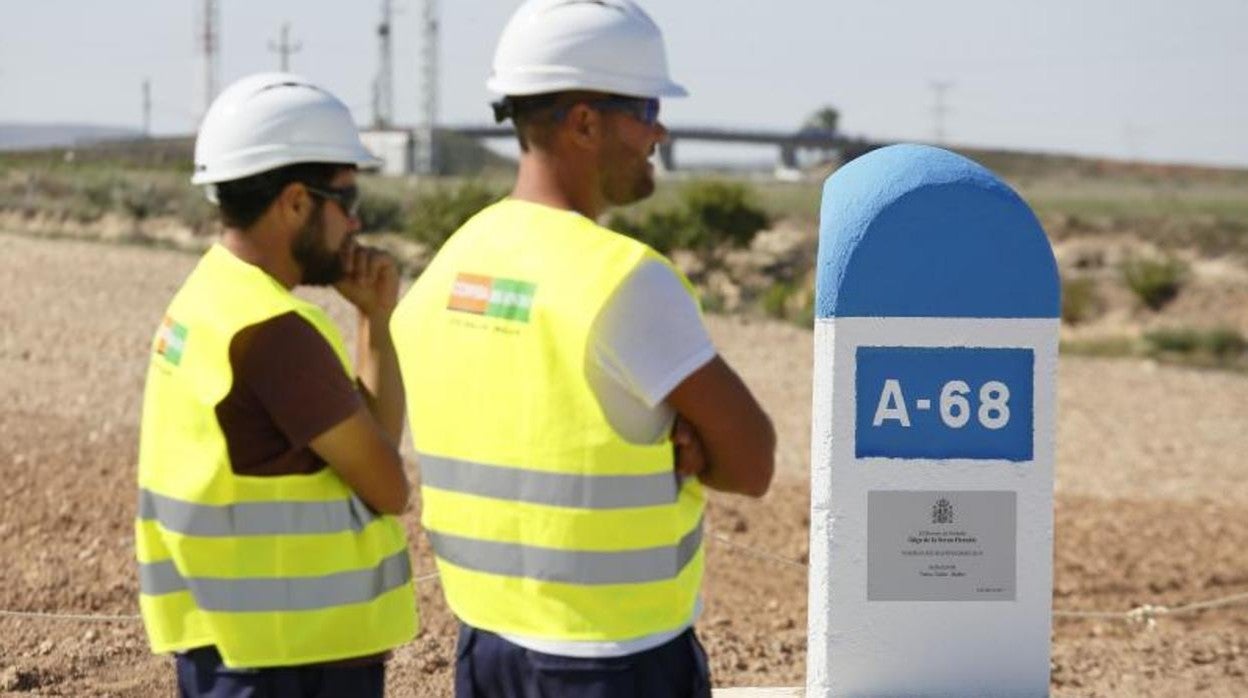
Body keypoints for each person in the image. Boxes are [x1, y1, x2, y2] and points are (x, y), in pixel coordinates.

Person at [390, 2, 776, 696]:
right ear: (585, 121)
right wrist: (695, 448)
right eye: (648, 107)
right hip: (615, 660)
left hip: (485, 648)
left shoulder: (451, 264)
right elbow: (752, 461)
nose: (660, 130)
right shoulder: (624, 279)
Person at [134, 72, 418, 698]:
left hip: (230, 650)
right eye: (346, 199)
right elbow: (388, 486)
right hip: (294, 663)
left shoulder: (208, 298)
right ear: (295, 202)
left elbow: (369, 452)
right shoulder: (275, 334)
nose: (355, 222)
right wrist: (377, 323)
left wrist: (374, 318)